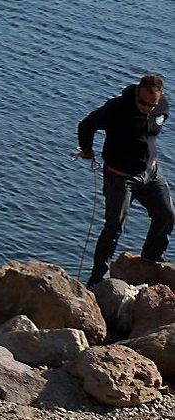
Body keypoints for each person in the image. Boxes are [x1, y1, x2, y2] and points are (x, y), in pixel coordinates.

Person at [78, 74, 174, 287]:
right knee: (114, 227)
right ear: (137, 92)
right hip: (120, 177)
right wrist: (86, 150)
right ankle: (97, 279)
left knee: (167, 215)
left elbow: (152, 128)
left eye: (152, 104)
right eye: (143, 103)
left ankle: (152, 256)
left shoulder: (162, 106)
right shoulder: (117, 108)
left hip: (150, 172)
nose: (147, 108)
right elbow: (86, 125)